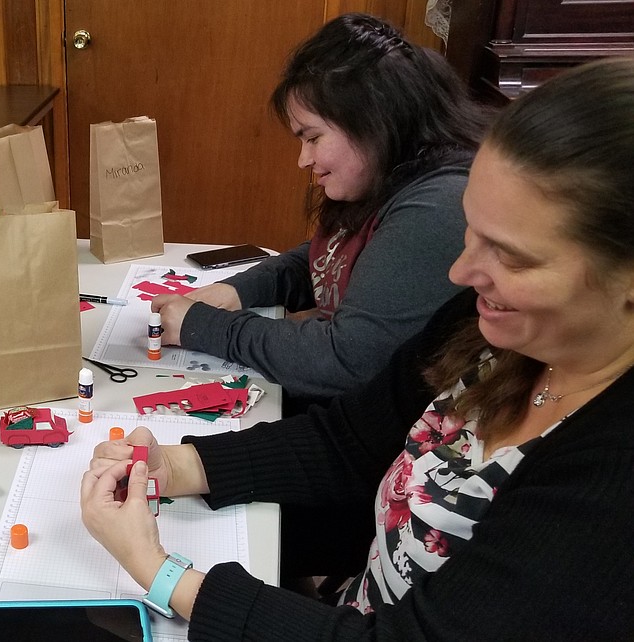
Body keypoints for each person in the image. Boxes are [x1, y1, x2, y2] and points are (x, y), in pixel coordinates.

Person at [80, 57, 634, 639]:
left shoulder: (610, 480)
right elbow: (350, 440)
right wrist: (181, 466)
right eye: (470, 231)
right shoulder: (496, 331)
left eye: (512, 256)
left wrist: (161, 572)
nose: (462, 270)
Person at [154, 13, 488, 403]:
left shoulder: (436, 207)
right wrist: (237, 290)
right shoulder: (389, 174)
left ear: (373, 120)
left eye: (312, 137)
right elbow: (326, 260)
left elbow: (344, 359)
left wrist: (206, 328)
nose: (303, 159)